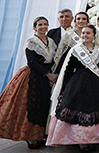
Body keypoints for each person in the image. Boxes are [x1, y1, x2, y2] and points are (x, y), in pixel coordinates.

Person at [47, 23, 99, 146]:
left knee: (95, 109)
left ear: (94, 35)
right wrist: (64, 88)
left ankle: (93, 138)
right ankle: (81, 141)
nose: (85, 35)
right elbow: (67, 70)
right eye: (83, 33)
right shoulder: (75, 50)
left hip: (97, 85)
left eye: (88, 33)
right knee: (78, 109)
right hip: (78, 84)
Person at [0, 16, 57, 148]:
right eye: (40, 25)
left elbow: (53, 60)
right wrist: (47, 74)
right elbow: (32, 62)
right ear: (34, 27)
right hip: (33, 76)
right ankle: (29, 136)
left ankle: (39, 135)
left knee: (44, 105)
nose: (43, 27)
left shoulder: (51, 41)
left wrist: (53, 75)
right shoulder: (31, 42)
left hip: (46, 77)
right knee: (31, 105)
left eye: (45, 24)